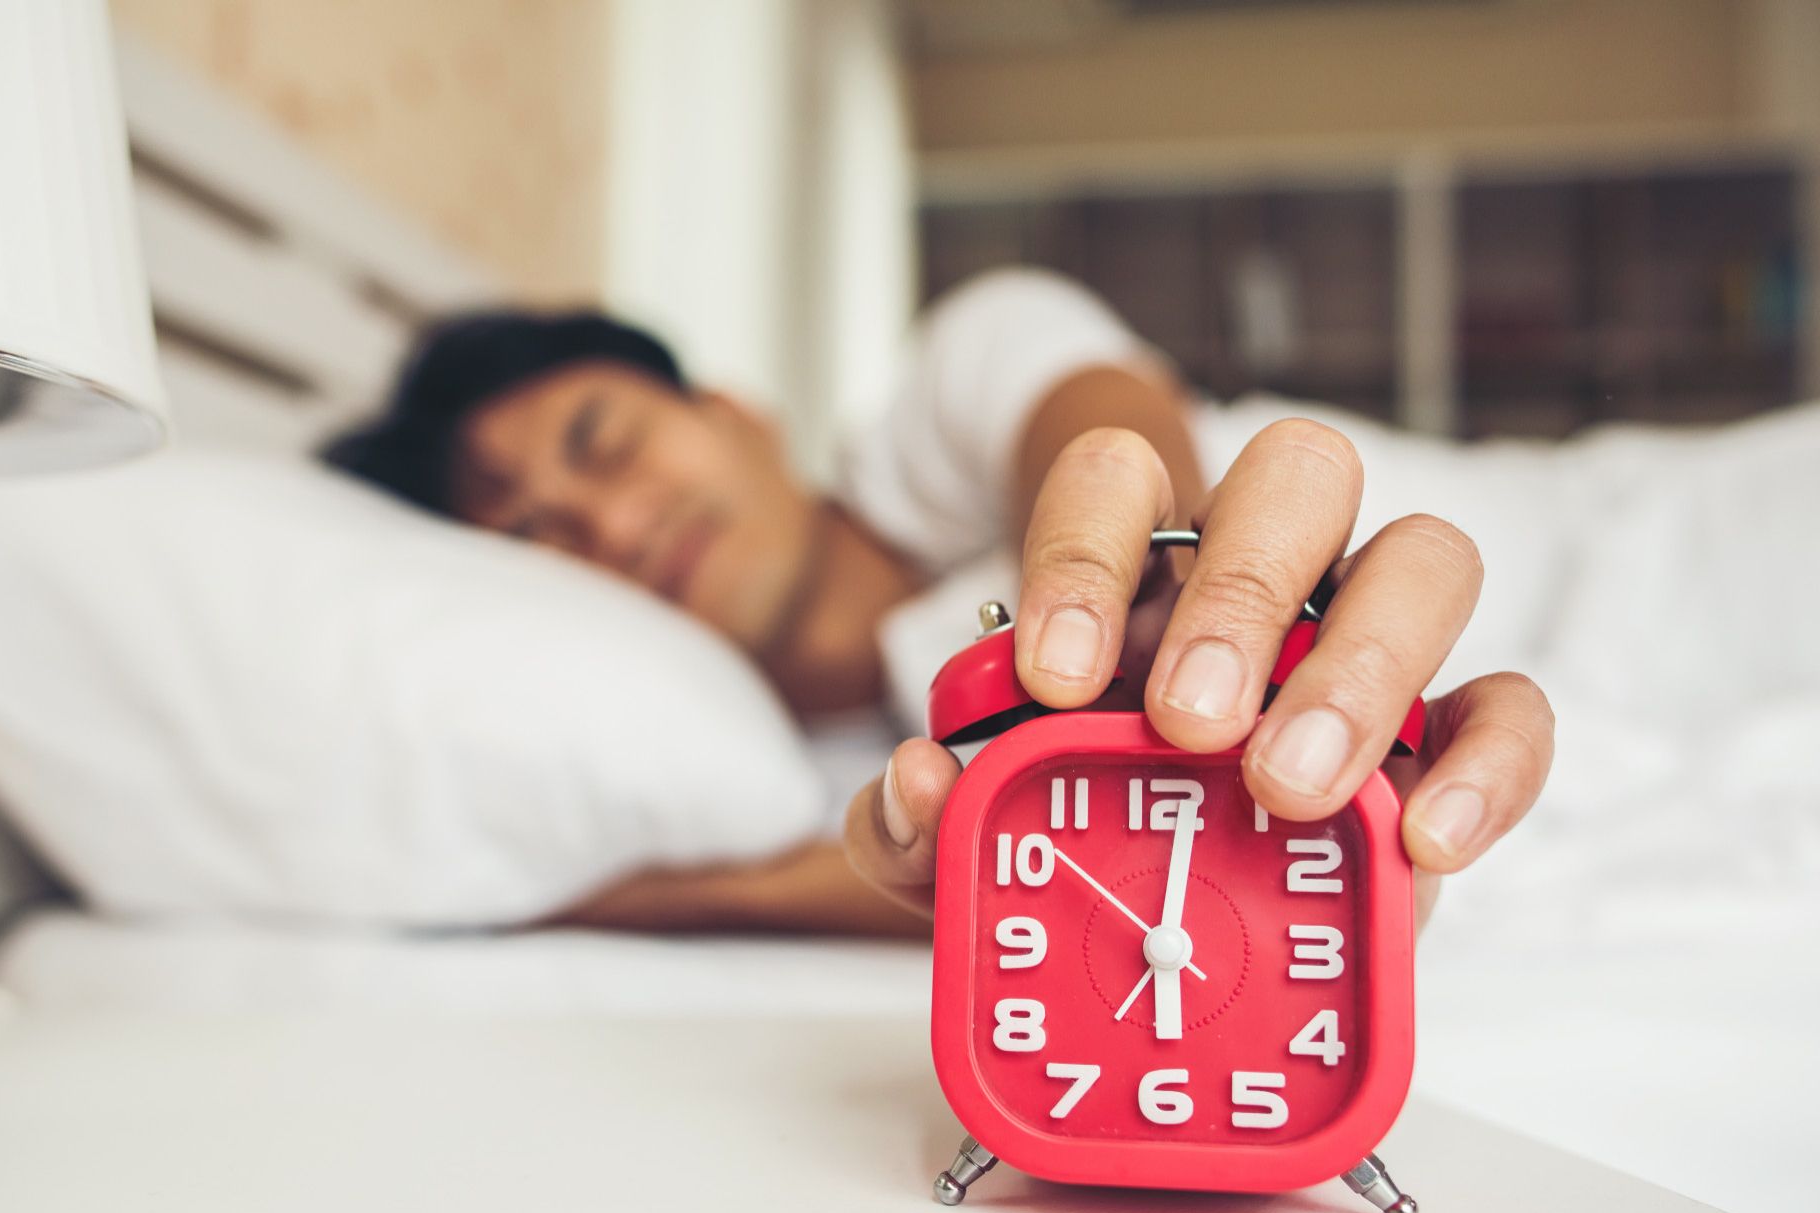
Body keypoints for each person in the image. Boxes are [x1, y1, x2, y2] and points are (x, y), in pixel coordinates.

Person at [326, 269, 1553, 938]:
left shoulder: (954, 383)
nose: (608, 525)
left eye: (605, 444)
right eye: (534, 538)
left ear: (733, 413)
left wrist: (1152, 586)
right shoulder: (742, 780)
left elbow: (1111, 453)